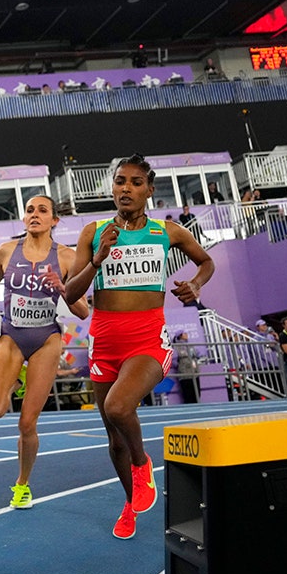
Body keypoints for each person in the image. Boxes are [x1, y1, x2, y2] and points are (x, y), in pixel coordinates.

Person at [62, 154, 214, 539]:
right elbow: (70, 295)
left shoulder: (168, 232)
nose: (125, 189)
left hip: (147, 337)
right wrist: (97, 259)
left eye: (134, 182)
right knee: (114, 437)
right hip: (104, 339)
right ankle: (130, 503)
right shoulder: (93, 231)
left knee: (118, 406)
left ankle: (143, 462)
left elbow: (206, 262)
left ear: (149, 190)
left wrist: (195, 285)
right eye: (119, 182)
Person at [0, 195, 90, 509]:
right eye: (29, 210)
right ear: (23, 218)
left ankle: (22, 484)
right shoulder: (7, 251)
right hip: (11, 336)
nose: (34, 215)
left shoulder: (66, 258)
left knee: (27, 424)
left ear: (54, 220)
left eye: (42, 210)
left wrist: (62, 288)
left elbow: (83, 311)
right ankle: (16, 377)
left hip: (45, 341)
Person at [172, 332, 201, 404]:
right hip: (185, 375)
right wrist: (182, 366)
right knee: (188, 395)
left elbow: (197, 354)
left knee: (197, 394)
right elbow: (174, 361)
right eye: (184, 333)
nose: (187, 335)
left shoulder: (190, 346)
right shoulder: (176, 347)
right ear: (180, 336)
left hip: (194, 373)